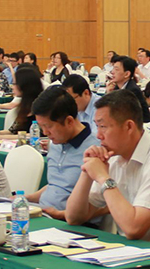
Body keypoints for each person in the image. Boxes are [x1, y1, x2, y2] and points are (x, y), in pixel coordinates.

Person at [65, 90, 150, 250]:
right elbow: (73, 217)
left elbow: (133, 229)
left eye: (103, 127)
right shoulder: (114, 156)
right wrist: (87, 171)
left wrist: (103, 178)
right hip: (134, 252)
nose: (98, 135)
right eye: (97, 127)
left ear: (129, 126)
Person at [26, 87, 101, 220]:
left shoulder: (96, 149)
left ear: (69, 121)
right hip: (43, 214)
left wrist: (62, 214)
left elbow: (106, 203)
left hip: (73, 223)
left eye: (48, 126)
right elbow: (57, 184)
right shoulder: (56, 142)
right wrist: (28, 198)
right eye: (41, 127)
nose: (45, 133)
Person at [0, 66, 44, 135]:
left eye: (14, 84)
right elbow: (13, 131)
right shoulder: (24, 105)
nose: (12, 87)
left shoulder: (41, 106)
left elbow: (34, 134)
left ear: (24, 85)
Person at [107, 56, 150, 123]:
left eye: (116, 69)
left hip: (141, 125)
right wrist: (109, 93)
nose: (112, 72)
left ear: (127, 74)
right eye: (113, 68)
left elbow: (119, 112)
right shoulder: (116, 87)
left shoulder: (132, 90)